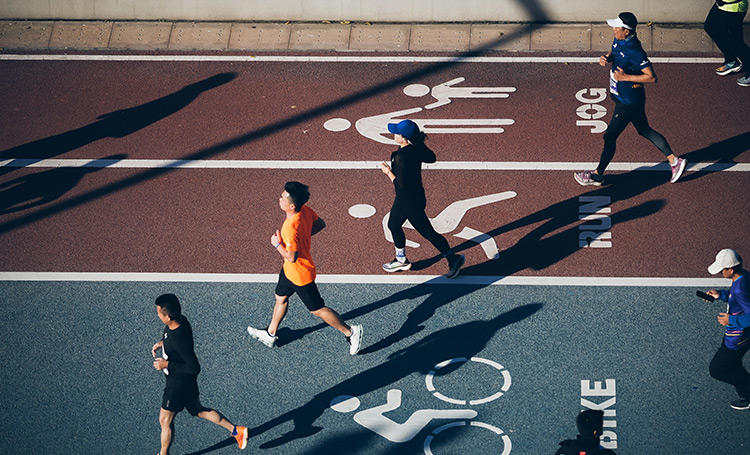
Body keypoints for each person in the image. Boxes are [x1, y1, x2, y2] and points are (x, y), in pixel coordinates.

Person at [247, 181, 363, 355]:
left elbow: (291, 257)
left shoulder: (289, 228)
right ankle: (271, 333)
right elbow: (320, 224)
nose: (279, 199)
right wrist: (302, 240)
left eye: (283, 197)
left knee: (317, 309)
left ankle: (350, 332)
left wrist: (277, 244)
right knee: (280, 297)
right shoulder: (305, 211)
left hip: (300, 274)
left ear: (291, 206)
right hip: (289, 271)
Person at [574, 12, 687, 187]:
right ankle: (674, 161)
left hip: (629, 102)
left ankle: (597, 175)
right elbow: (614, 52)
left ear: (626, 31)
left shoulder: (635, 50)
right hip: (626, 98)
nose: (613, 29)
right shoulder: (619, 39)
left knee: (610, 136)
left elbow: (651, 77)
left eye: (617, 27)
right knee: (644, 130)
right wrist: (607, 58)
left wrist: (625, 77)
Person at [151, 293, 248, 454]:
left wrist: (166, 364)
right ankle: (237, 431)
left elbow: (194, 367)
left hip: (177, 384)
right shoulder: (181, 321)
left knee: (165, 420)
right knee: (197, 410)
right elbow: (173, 340)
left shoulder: (178, 340)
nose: (158, 315)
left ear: (168, 317)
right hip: (186, 382)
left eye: (159, 313)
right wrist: (163, 343)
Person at [380, 119, 465, 278]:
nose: (393, 134)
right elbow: (432, 158)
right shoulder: (415, 149)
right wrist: (418, 143)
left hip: (410, 201)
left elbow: (400, 184)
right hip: (413, 196)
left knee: (429, 234)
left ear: (404, 138)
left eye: (396, 133)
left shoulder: (399, 157)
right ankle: (401, 259)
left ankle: (454, 259)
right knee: (393, 224)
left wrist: (388, 172)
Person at [703, 248, 750, 410]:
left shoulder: (740, 288)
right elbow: (737, 299)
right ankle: (747, 394)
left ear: (730, 269)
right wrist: (721, 295)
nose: (720, 272)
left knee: (717, 369)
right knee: (734, 364)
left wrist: (731, 319)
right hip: (738, 335)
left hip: (737, 338)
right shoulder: (743, 277)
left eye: (722, 269)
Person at [704, 0, 750, 87]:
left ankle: (733, 61)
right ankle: (731, 60)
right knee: (710, 27)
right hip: (724, 4)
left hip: (732, 6)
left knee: (735, 42)